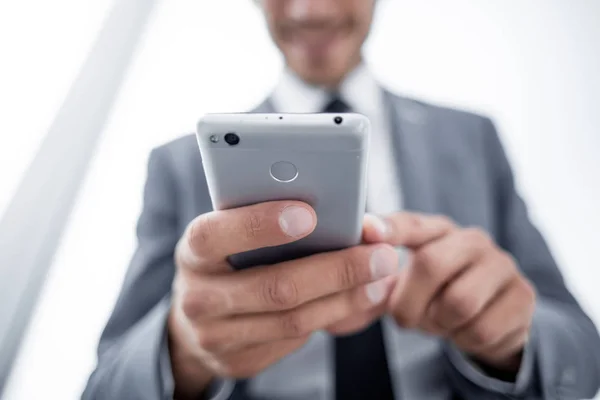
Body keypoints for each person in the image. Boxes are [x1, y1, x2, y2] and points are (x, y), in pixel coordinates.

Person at [83, 0, 600, 399]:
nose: (312, 9)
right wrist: (185, 351)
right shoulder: (179, 165)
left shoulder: (473, 139)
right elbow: (105, 384)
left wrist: (512, 340)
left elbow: (582, 348)